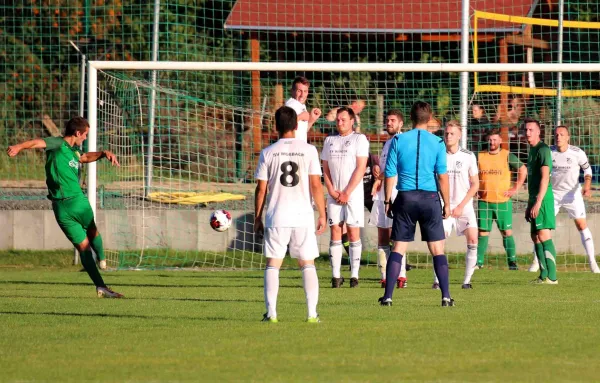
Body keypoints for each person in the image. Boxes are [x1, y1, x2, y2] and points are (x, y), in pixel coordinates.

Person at [6, 117, 123, 298]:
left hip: (77, 201)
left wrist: (102, 153)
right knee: (83, 247)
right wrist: (19, 146)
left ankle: (102, 259)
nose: (85, 138)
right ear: (77, 133)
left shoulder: (74, 151)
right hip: (60, 207)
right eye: (85, 135)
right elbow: (38, 142)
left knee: (91, 232)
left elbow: (84, 157)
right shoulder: (58, 144)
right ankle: (101, 286)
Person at [254, 106, 327, 323]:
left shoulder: (268, 152)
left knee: (273, 264)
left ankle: (272, 313)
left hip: (277, 216)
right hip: (303, 217)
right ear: (296, 125)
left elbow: (261, 188)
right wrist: (322, 213)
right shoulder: (309, 150)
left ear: (276, 126)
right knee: (307, 264)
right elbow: (316, 185)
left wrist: (257, 217)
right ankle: (312, 314)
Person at [379, 101, 453, 307]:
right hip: (430, 199)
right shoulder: (438, 143)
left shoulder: (399, 140)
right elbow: (443, 176)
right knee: (437, 249)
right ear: (430, 119)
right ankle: (446, 296)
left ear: (410, 118)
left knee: (398, 248)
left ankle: (388, 297)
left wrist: (387, 200)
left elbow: (390, 174)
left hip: (406, 198)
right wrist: (447, 203)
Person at [528, 126, 599, 274]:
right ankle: (536, 261)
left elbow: (587, 169)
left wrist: (587, 186)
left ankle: (593, 263)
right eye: (556, 135)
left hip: (572, 194)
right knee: (542, 229)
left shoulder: (577, 152)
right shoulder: (549, 151)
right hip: (552, 194)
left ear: (568, 137)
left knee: (581, 224)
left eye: (562, 134)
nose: (558, 137)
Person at [321, 106, 369, 288]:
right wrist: (332, 190)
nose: (340, 123)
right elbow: (325, 169)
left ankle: (354, 276)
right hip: (334, 194)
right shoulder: (329, 141)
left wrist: (347, 192)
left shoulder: (359, 139)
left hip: (353, 195)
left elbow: (361, 167)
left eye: (343, 120)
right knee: (335, 231)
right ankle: (335, 276)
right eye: (338, 120)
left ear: (352, 121)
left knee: (353, 231)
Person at [433, 121, 479, 289]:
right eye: (446, 133)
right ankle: (437, 281)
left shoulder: (468, 156)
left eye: (452, 133)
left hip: (463, 206)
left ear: (459, 135)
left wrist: (461, 206)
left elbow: (475, 184)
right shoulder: (438, 154)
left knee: (473, 239)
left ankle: (466, 281)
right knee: (439, 242)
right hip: (444, 205)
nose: (448, 136)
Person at [476, 128, 527, 269]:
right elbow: (471, 173)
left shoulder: (507, 156)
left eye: (495, 140)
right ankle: (478, 263)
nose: (492, 142)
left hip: (502, 201)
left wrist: (514, 188)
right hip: (484, 201)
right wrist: (474, 188)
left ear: (500, 140)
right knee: (482, 232)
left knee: (506, 232)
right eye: (490, 139)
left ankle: (512, 262)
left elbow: (523, 169)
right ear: (487, 140)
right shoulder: (480, 156)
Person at [369, 109, 407, 289]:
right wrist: (378, 171)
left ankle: (400, 275)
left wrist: (380, 177)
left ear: (401, 123)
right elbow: (385, 168)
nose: (389, 123)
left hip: (395, 193)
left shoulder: (401, 141)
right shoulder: (387, 143)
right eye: (387, 120)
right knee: (382, 235)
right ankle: (384, 275)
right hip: (382, 194)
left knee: (395, 235)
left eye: (393, 120)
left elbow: (396, 168)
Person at [524, 118, 558, 284]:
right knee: (535, 236)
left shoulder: (543, 150)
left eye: (531, 130)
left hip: (543, 199)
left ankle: (552, 277)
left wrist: (537, 202)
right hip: (534, 199)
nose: (527, 133)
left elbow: (545, 178)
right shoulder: (532, 150)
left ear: (538, 132)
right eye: (526, 130)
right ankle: (543, 275)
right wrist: (529, 204)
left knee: (544, 235)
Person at [284, 76, 322, 142]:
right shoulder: (291, 105)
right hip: (292, 147)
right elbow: (285, 127)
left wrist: (312, 120)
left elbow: (302, 131)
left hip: (300, 147)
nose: (302, 95)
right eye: (299, 91)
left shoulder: (300, 105)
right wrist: (300, 116)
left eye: (305, 91)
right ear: (292, 91)